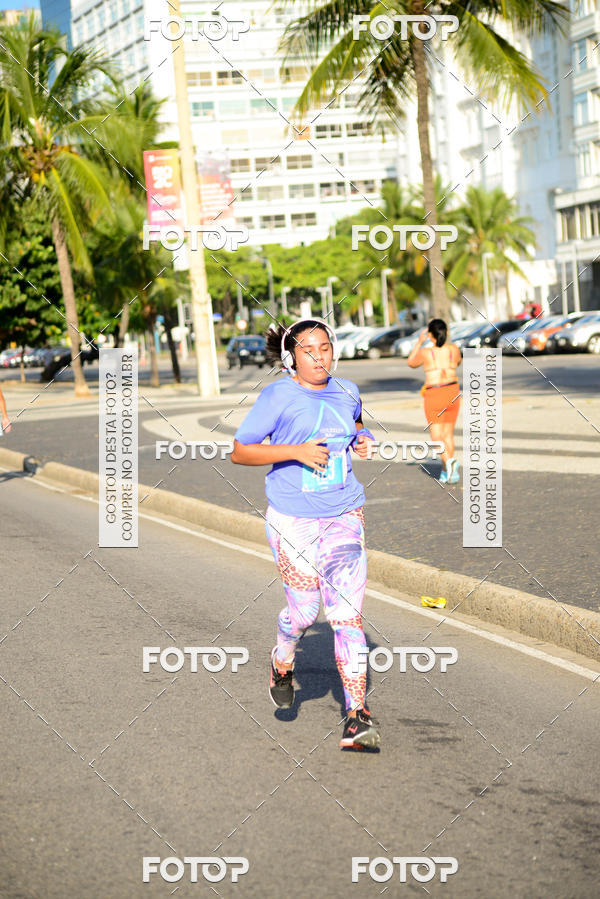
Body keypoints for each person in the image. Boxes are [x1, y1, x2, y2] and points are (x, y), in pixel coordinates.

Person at [231, 318, 380, 750]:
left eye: (325, 347)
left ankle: (356, 715)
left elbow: (353, 426)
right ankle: (282, 659)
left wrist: (363, 440)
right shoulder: (278, 395)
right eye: (308, 349)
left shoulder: (347, 390)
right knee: (304, 613)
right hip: (293, 518)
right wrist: (293, 451)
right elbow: (240, 451)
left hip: (344, 513)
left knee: (346, 615)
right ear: (291, 356)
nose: (318, 356)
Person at [407, 318, 461, 484]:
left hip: (435, 393)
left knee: (437, 437)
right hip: (453, 391)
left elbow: (411, 363)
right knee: (448, 434)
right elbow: (457, 362)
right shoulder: (454, 349)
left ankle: (449, 463)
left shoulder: (426, 352)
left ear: (430, 334)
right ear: (447, 332)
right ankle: (448, 472)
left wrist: (419, 342)